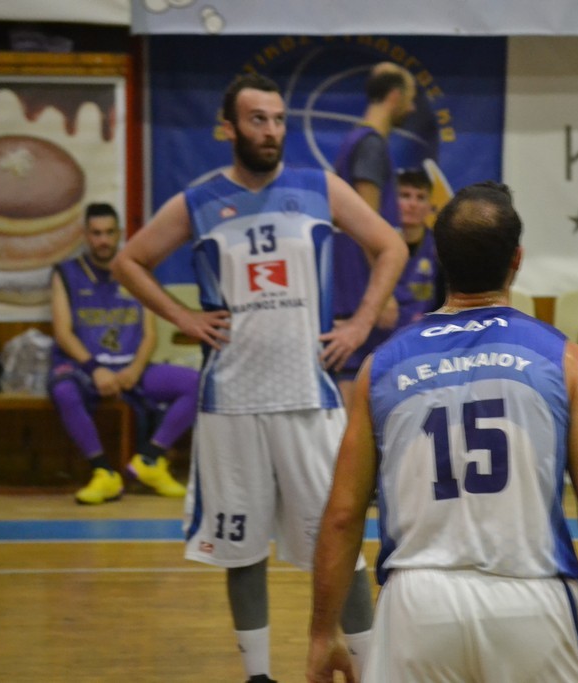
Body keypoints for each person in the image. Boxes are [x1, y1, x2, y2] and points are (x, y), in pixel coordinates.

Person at [111, 73, 407, 683]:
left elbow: (391, 247)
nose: (271, 131)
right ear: (228, 128)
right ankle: (258, 676)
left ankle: (369, 670)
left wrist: (360, 323)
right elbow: (129, 261)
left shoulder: (318, 187)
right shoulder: (198, 201)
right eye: (257, 120)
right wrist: (183, 317)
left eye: (277, 120)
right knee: (240, 549)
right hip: (231, 401)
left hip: (309, 397)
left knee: (339, 543)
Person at [306, 182, 578, 683]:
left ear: (441, 260)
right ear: (517, 260)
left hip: (416, 603)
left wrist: (321, 633)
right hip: (531, 596)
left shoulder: (380, 368)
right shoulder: (566, 361)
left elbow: (342, 516)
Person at [48, 202, 197, 505]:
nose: (103, 240)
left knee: (199, 383)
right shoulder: (66, 273)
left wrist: (135, 369)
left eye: (108, 232)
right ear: (86, 236)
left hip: (130, 367)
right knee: (63, 390)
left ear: (119, 233)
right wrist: (94, 369)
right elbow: (63, 332)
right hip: (85, 368)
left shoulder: (136, 270)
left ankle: (150, 460)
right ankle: (103, 472)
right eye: (96, 233)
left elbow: (150, 334)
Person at [331, 62, 417, 407]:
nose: (412, 107)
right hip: (360, 290)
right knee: (361, 404)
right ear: (394, 97)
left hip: (353, 288)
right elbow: (369, 228)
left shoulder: (356, 141)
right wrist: (384, 293)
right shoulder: (370, 145)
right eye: (410, 98)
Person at [391, 168, 442, 326]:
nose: (413, 204)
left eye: (420, 197)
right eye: (405, 196)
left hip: (426, 331)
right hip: (381, 331)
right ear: (391, 201)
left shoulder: (440, 246)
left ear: (429, 205)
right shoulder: (374, 243)